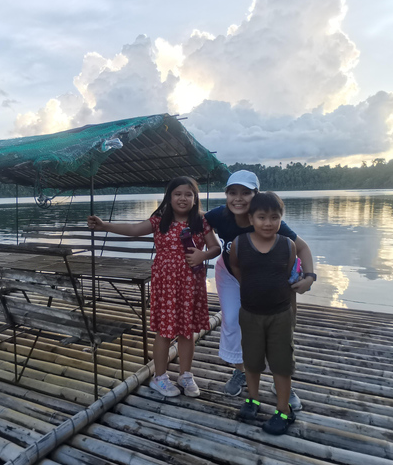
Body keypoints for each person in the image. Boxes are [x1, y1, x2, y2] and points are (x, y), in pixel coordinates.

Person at [88, 176, 221, 398]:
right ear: (169, 197)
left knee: (187, 331)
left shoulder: (202, 221)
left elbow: (215, 247)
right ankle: (159, 377)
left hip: (192, 284)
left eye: (189, 194)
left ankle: (186, 375)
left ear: (195, 198)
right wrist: (104, 225)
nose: (183, 198)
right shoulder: (160, 220)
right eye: (178, 193)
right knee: (165, 332)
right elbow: (132, 229)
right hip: (166, 285)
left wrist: (204, 255)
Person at [204, 170, 316, 407]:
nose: (238, 198)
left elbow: (302, 248)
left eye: (246, 192)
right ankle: (240, 370)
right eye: (232, 192)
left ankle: (281, 380)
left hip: (266, 278)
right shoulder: (218, 216)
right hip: (230, 273)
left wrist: (309, 276)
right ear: (226, 195)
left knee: (280, 328)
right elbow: (192, 218)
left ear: (256, 195)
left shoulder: (270, 221)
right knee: (233, 319)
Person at [231, 191, 300, 435]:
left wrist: (291, 312)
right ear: (251, 219)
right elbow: (237, 269)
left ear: (281, 219)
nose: (268, 223)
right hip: (249, 313)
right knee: (252, 360)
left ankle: (284, 411)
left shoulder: (287, 245)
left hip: (280, 315)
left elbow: (289, 276)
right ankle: (253, 399)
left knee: (281, 364)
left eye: (274, 217)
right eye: (261, 217)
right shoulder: (239, 244)